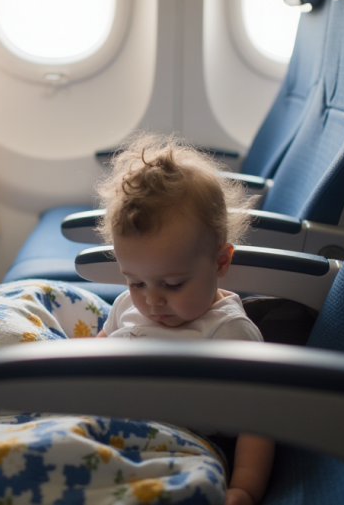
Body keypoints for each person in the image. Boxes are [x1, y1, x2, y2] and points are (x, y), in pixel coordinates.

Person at [94, 133, 274, 505]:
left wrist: (245, 488)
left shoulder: (228, 333)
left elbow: (260, 422)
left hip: (171, 446)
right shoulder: (129, 305)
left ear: (221, 262)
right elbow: (97, 349)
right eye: (136, 281)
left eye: (173, 284)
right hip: (101, 421)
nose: (152, 299)